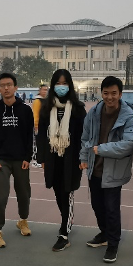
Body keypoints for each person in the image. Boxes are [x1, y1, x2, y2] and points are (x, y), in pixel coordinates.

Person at [81, 76, 133, 263]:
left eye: (114, 93)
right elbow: (85, 137)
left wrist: (102, 149)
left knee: (112, 209)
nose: (110, 97)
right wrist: (84, 157)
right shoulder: (94, 112)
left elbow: (128, 144)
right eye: (106, 93)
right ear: (101, 93)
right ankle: (104, 233)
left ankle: (113, 244)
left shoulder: (128, 116)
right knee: (97, 206)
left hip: (113, 170)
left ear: (120, 94)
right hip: (94, 168)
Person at [36, 70, 86, 251]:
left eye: (65, 83)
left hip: (71, 158)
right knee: (58, 192)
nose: (61, 87)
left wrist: (82, 157)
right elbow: (41, 135)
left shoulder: (78, 108)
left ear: (70, 85)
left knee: (67, 192)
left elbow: (83, 135)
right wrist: (41, 158)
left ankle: (64, 232)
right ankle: (65, 220)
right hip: (52, 157)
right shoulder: (46, 107)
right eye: (58, 83)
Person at [0, 73, 34, 248]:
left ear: (15, 87)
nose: (6, 88)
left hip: (21, 160)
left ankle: (23, 221)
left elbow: (30, 136)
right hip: (2, 160)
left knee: (24, 194)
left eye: (9, 85)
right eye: (2, 85)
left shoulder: (25, 110)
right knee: (0, 196)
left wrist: (28, 157)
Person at [31, 84, 48, 167]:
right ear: (40, 91)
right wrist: (36, 125)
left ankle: (44, 159)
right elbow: (35, 114)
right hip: (39, 126)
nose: (45, 91)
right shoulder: (38, 101)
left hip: (46, 126)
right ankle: (39, 160)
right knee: (40, 143)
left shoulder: (47, 100)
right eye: (43, 90)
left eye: (46, 90)